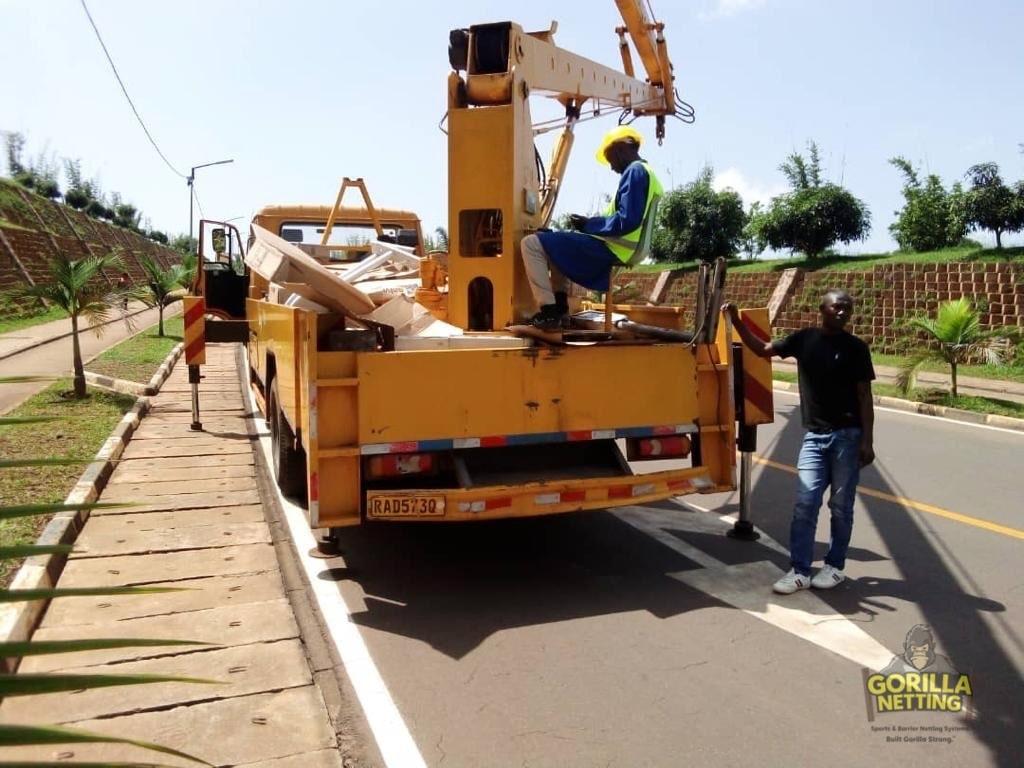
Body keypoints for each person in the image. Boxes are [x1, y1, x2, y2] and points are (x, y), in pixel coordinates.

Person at [723, 290, 875, 594]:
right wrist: (737, 321)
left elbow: (864, 396)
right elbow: (763, 349)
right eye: (837, 307)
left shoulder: (856, 348)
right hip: (814, 437)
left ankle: (834, 567)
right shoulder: (805, 339)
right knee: (805, 504)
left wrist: (867, 441)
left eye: (847, 308)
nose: (843, 312)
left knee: (840, 507)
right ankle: (800, 571)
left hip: (847, 437)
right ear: (822, 309)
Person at [519, 125, 663, 330]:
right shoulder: (646, 172)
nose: (612, 167)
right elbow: (626, 219)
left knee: (531, 243)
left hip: (612, 248)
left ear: (620, 149)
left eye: (610, 160)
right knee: (552, 244)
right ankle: (560, 309)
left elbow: (627, 220)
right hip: (620, 248)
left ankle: (549, 312)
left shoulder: (635, 172)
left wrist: (589, 225)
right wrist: (587, 225)